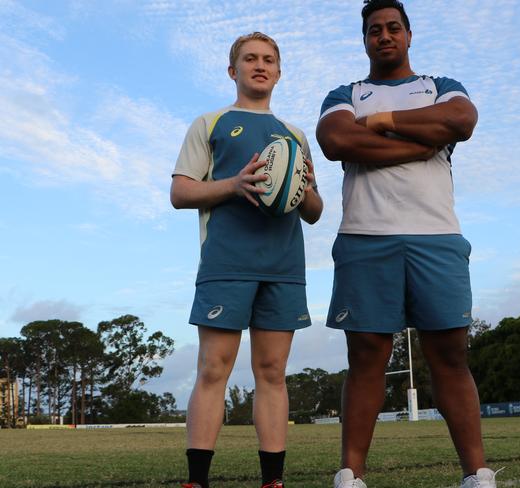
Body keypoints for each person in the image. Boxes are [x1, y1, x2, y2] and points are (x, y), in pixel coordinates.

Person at [316, 1, 498, 487]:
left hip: (436, 236)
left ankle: (476, 474)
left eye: (393, 27)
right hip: (364, 237)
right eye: (374, 30)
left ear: (409, 34)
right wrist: (421, 140)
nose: (384, 36)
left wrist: (379, 122)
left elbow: (461, 119)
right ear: (365, 39)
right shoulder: (346, 93)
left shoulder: (440, 87)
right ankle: (351, 475)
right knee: (366, 359)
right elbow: (335, 141)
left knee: (451, 356)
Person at [171, 32, 323, 488]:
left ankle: (272, 481)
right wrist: (234, 185)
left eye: (269, 59)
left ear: (278, 71)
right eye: (250, 58)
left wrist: (307, 188)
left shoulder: (294, 136)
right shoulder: (210, 122)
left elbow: (314, 213)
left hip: (283, 267)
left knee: (272, 373)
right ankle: (198, 480)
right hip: (226, 263)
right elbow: (181, 192)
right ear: (232, 69)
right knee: (213, 369)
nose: (260, 65)